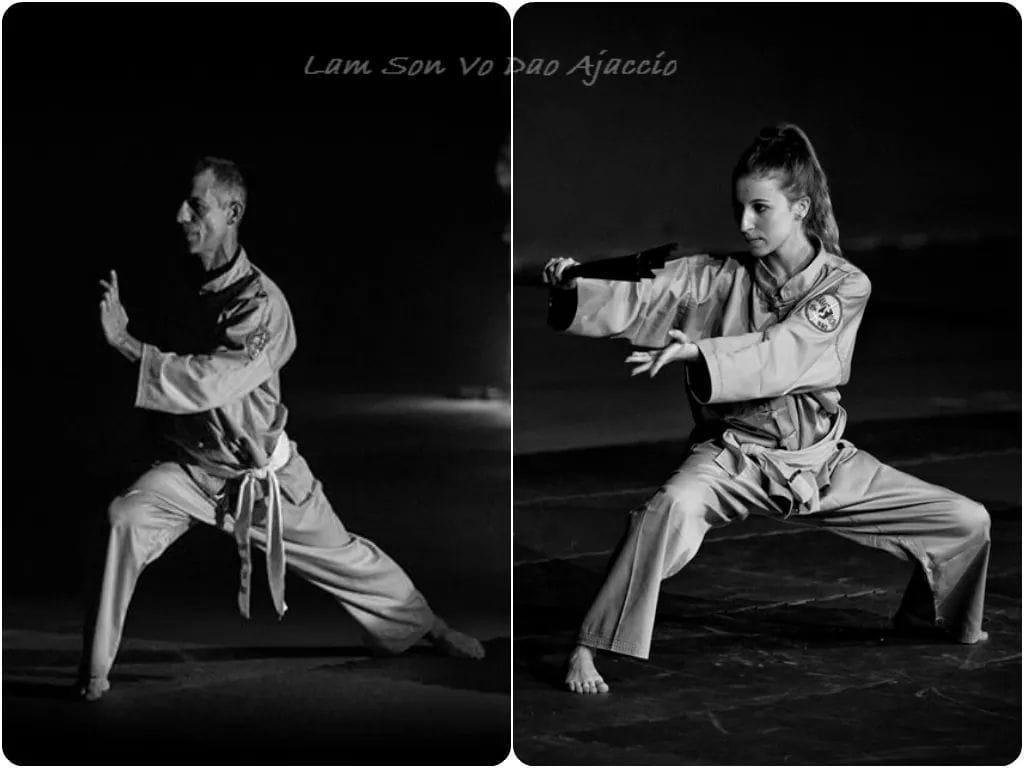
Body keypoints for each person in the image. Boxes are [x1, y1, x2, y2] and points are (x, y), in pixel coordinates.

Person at [543, 124, 990, 695]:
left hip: (822, 463)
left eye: (760, 208)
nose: (744, 223)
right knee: (669, 508)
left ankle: (932, 620)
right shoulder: (716, 278)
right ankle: (589, 644)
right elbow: (644, 292)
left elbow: (787, 352)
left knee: (966, 520)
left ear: (799, 208)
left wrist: (700, 352)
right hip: (736, 460)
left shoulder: (844, 286)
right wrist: (574, 285)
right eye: (739, 208)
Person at [81, 156, 484, 702]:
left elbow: (211, 380)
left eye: (196, 206)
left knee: (344, 554)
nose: (181, 216)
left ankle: (429, 626)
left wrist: (128, 345)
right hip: (194, 473)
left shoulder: (263, 305)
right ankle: (94, 672)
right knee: (125, 517)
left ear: (232, 212)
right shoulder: (188, 287)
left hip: (262, 480)